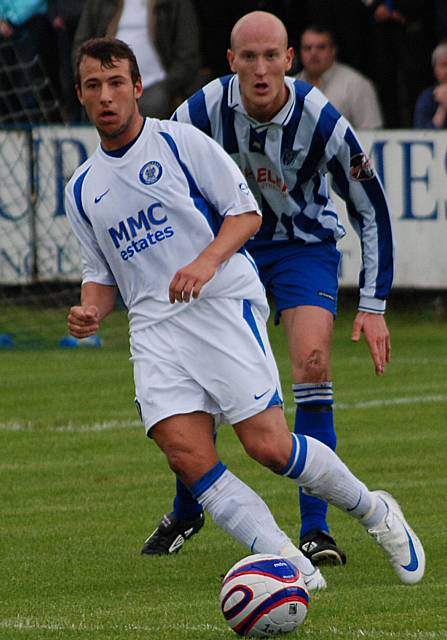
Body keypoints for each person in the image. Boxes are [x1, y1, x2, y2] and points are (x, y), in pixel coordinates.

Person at [65, 36, 424, 593]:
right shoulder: (82, 188)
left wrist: (204, 265)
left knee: (269, 447)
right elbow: (103, 275)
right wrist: (90, 309)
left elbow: (244, 214)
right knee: (186, 453)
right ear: (82, 97)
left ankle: (376, 512)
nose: (107, 96)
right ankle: (289, 565)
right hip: (155, 331)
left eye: (117, 84)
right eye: (94, 86)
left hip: (219, 306)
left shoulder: (181, 141)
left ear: (137, 88)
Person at [142, 10, 394, 567]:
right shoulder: (202, 110)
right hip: (231, 248)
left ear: (290, 59)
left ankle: (316, 530)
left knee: (310, 362)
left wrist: (374, 305)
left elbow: (370, 208)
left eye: (270, 56)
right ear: (231, 62)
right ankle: (190, 506)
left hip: (302, 248)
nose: (260, 69)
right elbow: (158, 175)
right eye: (248, 57)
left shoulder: (323, 119)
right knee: (201, 377)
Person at [72, 0, 200, 119]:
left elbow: (188, 53)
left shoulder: (175, 3)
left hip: (159, 84)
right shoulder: (99, 3)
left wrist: (168, 85)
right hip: (106, 81)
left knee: (153, 104)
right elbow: (81, 46)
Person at [296, 25, 383, 129]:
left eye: (321, 47)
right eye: (307, 48)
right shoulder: (290, 85)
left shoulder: (356, 85)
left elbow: (372, 134)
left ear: (333, 51)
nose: (313, 53)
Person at [414, 40, 447, 128]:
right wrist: (443, 107)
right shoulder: (427, 97)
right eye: (443, 65)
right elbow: (423, 135)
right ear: (435, 70)